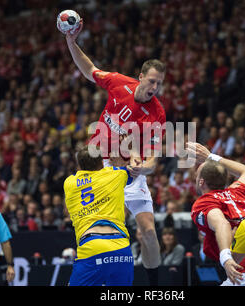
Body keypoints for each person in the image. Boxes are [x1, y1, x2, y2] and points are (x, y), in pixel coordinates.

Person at [65, 19, 166, 285]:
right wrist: (70, 41)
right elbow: (90, 70)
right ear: (141, 77)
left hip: (130, 172)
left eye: (159, 84)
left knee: (148, 234)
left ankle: (153, 284)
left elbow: (153, 159)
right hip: (101, 170)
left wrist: (142, 167)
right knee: (99, 227)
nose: (154, 88)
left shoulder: (157, 113)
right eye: (152, 81)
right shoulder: (119, 83)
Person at [188, 142, 245, 286]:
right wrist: (211, 157)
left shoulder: (203, 202)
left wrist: (226, 258)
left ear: (201, 182)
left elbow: (222, 223)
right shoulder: (237, 192)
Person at [64, 146, 135, 286]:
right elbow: (134, 167)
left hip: (93, 245)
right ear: (102, 163)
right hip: (121, 247)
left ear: (79, 166)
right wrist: (119, 162)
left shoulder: (69, 183)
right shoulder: (116, 175)